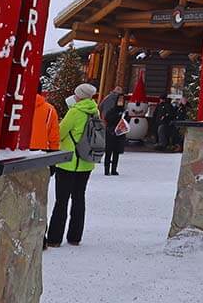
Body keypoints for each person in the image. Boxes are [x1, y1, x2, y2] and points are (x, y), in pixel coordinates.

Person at [46, 83, 99, 248]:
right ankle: (75, 236)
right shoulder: (95, 111)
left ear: (79, 96)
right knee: (79, 198)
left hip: (68, 163)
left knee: (61, 201)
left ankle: (55, 238)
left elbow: (60, 133)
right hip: (86, 163)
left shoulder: (75, 112)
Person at [103, 93, 130, 175]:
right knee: (108, 152)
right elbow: (108, 118)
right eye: (119, 100)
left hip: (119, 133)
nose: (120, 101)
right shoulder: (112, 110)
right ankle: (107, 170)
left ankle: (114, 169)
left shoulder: (125, 111)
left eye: (122, 100)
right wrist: (117, 116)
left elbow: (127, 121)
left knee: (116, 152)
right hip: (111, 132)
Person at [30, 80, 60, 152]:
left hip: (18, 152)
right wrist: (54, 152)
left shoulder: (17, 107)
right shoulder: (50, 109)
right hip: (40, 152)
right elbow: (54, 136)